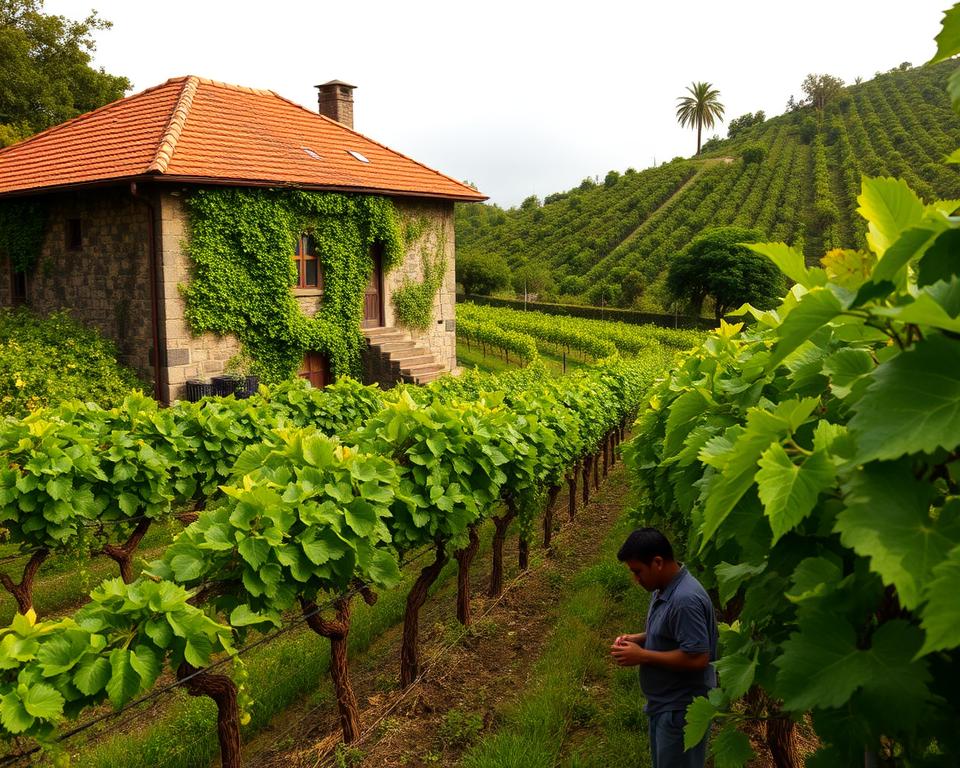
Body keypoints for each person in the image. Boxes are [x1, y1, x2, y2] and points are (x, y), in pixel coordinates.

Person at [610, 527, 718, 768]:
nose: (636, 580)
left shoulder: (685, 600)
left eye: (638, 572)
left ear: (657, 562)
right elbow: (672, 632)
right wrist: (638, 638)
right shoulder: (664, 588)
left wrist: (643, 655)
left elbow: (698, 657)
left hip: (681, 711)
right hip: (666, 706)